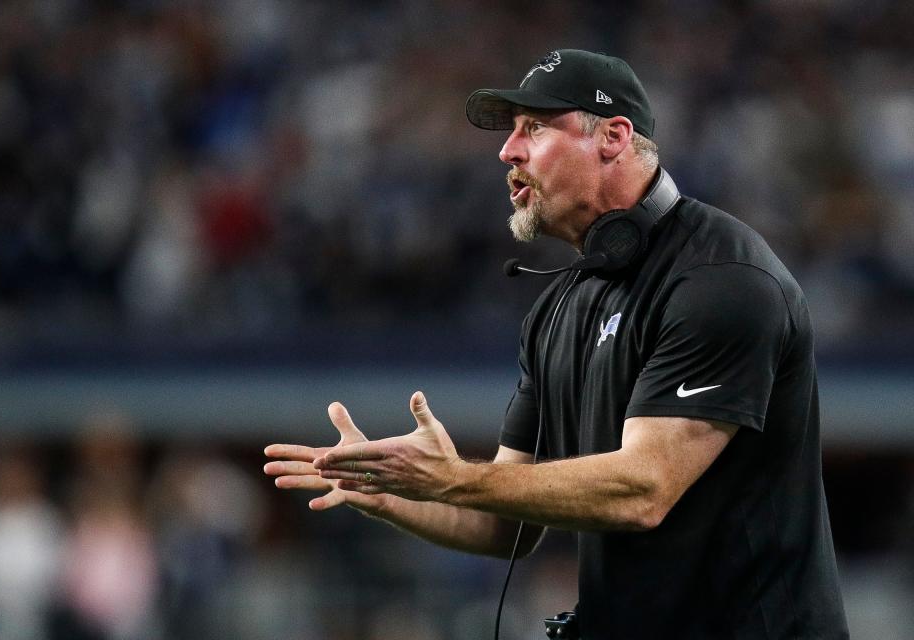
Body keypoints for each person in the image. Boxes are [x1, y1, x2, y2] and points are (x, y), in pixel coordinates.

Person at [264, 49, 849, 639]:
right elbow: (505, 526)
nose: (507, 152)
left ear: (614, 136)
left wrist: (451, 477)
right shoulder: (559, 306)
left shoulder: (722, 279)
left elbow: (644, 489)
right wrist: (391, 490)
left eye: (534, 128)